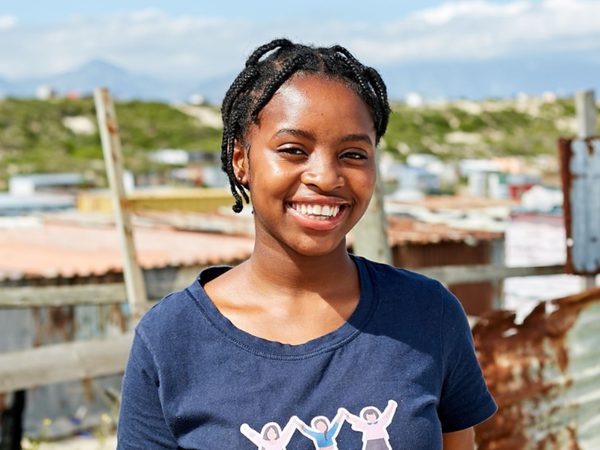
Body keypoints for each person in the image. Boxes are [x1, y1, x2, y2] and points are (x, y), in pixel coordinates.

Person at [117, 38, 496, 449]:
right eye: (294, 150)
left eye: (352, 154)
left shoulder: (427, 314)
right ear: (241, 160)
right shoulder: (172, 337)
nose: (325, 177)